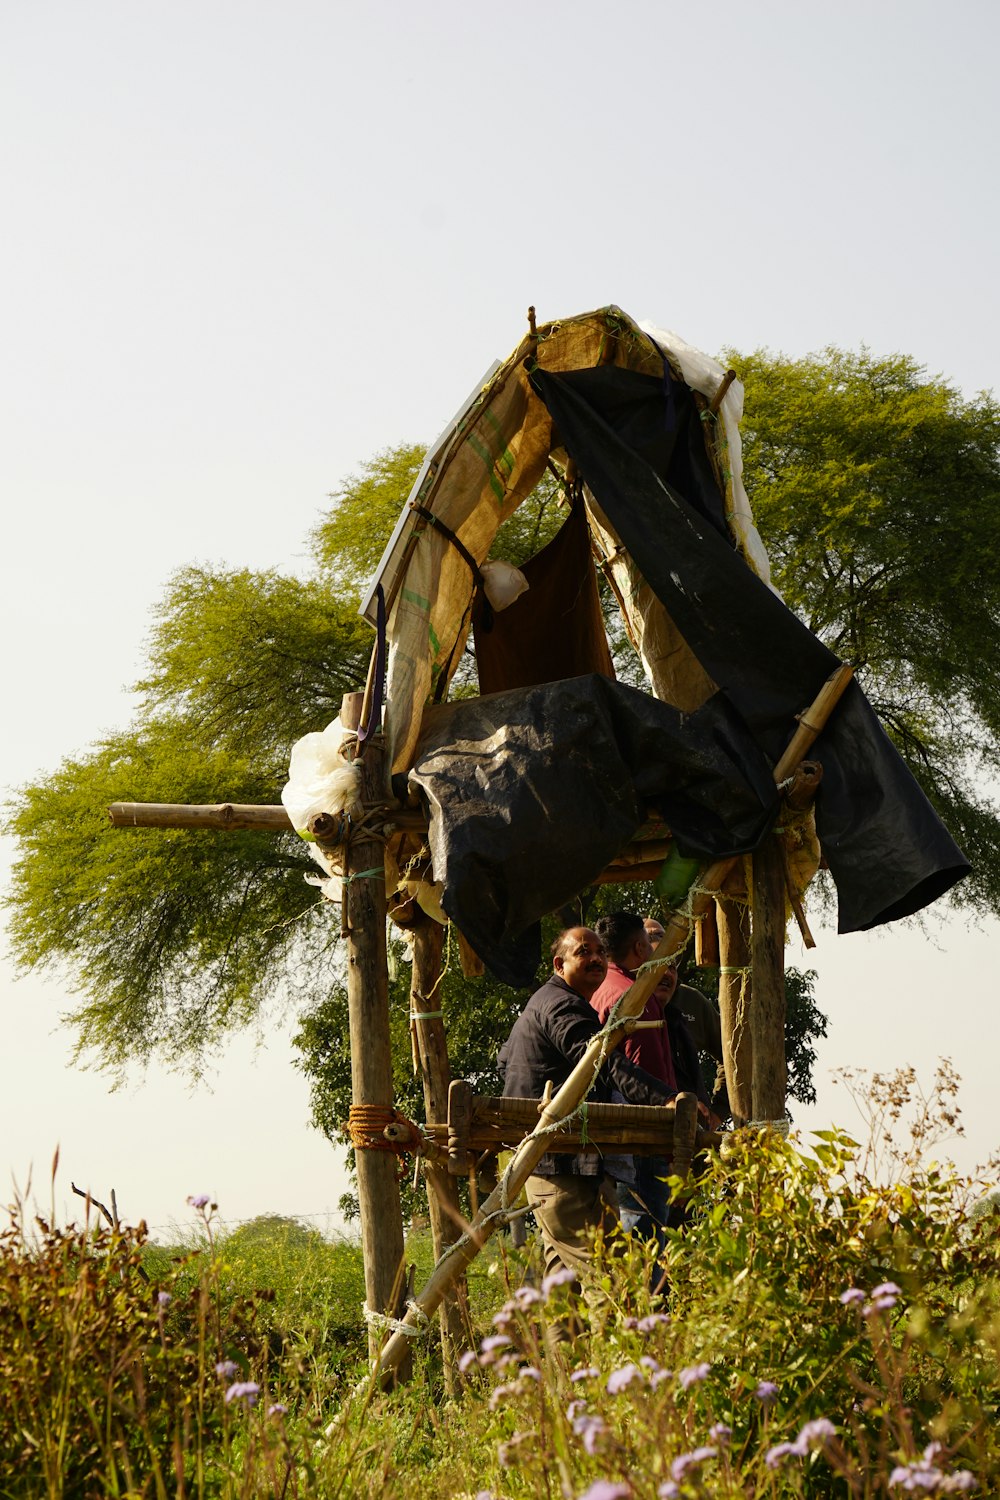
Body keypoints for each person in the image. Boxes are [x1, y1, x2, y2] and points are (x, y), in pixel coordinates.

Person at [498, 926, 677, 1286]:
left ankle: (568, 1347)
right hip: (566, 1169)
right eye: (583, 952)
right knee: (612, 1281)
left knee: (563, 1289)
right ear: (559, 964)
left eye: (600, 952)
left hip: (546, 1166)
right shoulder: (563, 1005)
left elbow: (504, 1062)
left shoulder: (545, 1002)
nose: (596, 958)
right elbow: (599, 1062)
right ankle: (625, 1344)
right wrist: (666, 1098)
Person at [591, 911, 680, 1247]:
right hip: (642, 1141)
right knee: (646, 1244)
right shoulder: (637, 997)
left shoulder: (597, 989)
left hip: (604, 1143)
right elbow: (647, 1076)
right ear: (641, 949)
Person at [644, 917, 729, 1121]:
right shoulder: (622, 1000)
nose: (665, 973)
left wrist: (718, 1113)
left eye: (671, 965)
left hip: (691, 1124)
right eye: (657, 963)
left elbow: (732, 1056)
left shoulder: (693, 1002)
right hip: (637, 1124)